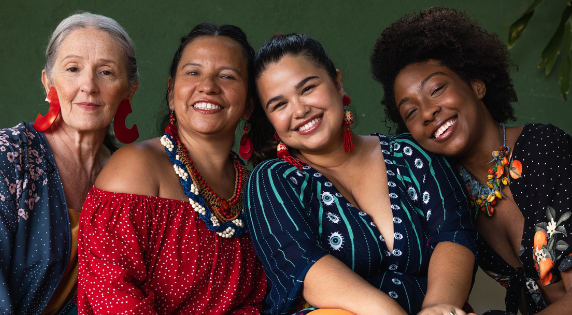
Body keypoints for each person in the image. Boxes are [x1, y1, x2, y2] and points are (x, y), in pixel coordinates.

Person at [370, 7, 572, 315]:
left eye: (437, 90)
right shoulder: (449, 196)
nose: (427, 113)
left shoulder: (545, 149)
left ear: (476, 85)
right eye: (410, 112)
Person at [244, 33, 477, 315]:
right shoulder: (273, 180)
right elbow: (306, 269)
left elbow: (453, 233)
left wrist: (439, 306)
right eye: (279, 105)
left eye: (307, 89)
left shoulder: (411, 152)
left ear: (337, 82)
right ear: (270, 120)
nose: (300, 109)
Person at [77, 23, 267, 314]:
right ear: (171, 91)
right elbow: (112, 296)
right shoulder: (135, 168)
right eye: (193, 73)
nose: (208, 86)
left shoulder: (254, 190)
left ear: (249, 105)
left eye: (227, 76)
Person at [0, 12, 139, 315]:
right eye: (73, 69)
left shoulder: (130, 177)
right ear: (48, 81)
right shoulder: (9, 156)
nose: (88, 85)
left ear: (129, 88)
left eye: (106, 72)